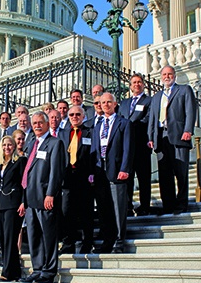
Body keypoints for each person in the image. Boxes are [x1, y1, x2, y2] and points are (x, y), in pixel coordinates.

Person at [20, 112, 65, 283]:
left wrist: (50, 194)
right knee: (34, 236)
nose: (37, 126)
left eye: (40, 123)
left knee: (48, 235)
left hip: (45, 197)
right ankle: (37, 268)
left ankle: (49, 270)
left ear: (47, 124)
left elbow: (56, 171)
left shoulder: (55, 143)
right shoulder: (32, 144)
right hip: (31, 198)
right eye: (35, 123)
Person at [148, 65, 197, 214]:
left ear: (174, 76)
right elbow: (152, 119)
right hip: (161, 138)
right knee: (164, 175)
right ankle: (168, 205)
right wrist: (151, 137)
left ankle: (181, 204)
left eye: (169, 74)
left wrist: (188, 130)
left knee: (181, 173)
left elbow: (190, 111)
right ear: (161, 77)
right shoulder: (156, 97)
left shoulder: (184, 90)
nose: (167, 77)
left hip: (179, 136)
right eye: (164, 74)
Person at [90, 93, 134, 254]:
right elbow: (94, 150)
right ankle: (108, 240)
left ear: (115, 104)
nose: (106, 105)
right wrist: (92, 172)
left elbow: (128, 149)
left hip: (117, 172)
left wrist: (125, 168)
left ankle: (119, 241)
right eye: (103, 102)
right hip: (100, 173)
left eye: (109, 102)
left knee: (118, 208)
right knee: (104, 209)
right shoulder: (97, 126)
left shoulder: (124, 123)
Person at [0, 136, 26, 282]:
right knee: (3, 239)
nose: (7, 147)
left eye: (10, 145)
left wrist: (24, 202)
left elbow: (24, 183)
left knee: (10, 238)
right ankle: (15, 271)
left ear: (14, 146)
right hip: (2, 204)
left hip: (14, 204)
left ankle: (7, 271)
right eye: (4, 145)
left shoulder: (19, 161)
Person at [58, 105, 94, 254]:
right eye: (71, 114)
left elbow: (94, 154)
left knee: (86, 212)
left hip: (84, 177)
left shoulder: (90, 132)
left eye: (77, 114)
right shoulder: (63, 134)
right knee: (67, 212)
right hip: (67, 178)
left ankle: (87, 243)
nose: (74, 117)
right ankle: (68, 243)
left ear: (83, 116)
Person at [118, 73, 152, 216]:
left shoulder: (149, 101)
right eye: (134, 82)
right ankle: (127, 206)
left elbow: (148, 119)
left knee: (144, 178)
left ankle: (145, 206)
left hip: (141, 145)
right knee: (128, 178)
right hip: (126, 148)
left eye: (139, 82)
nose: (136, 84)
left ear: (143, 84)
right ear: (130, 86)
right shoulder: (124, 103)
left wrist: (129, 126)